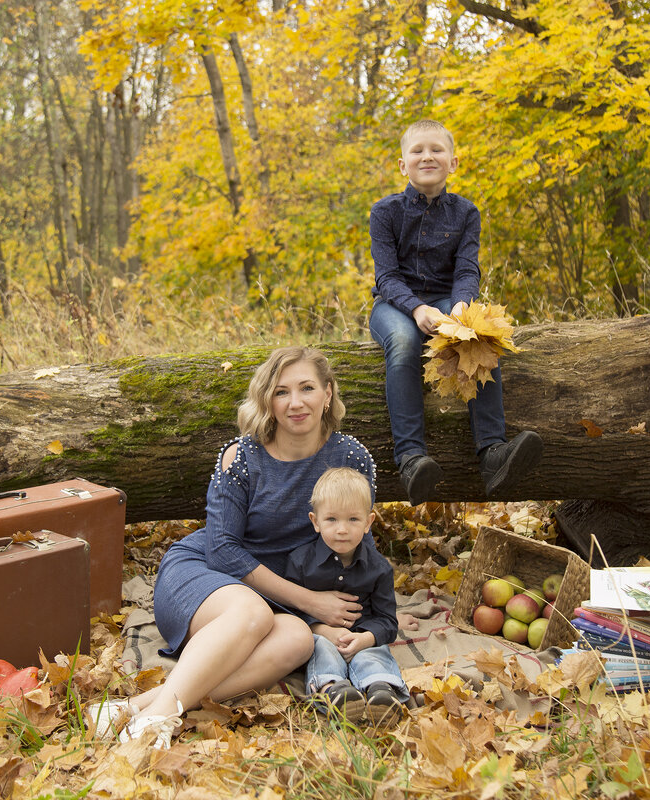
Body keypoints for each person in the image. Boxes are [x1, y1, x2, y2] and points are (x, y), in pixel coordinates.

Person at [89, 346, 377, 747]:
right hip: (207, 573)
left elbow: (357, 539)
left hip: (271, 592)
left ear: (327, 394)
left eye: (307, 388)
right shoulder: (242, 456)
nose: (295, 403)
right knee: (252, 611)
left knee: (298, 639)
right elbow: (223, 551)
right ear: (268, 401)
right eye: (281, 392)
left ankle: (135, 708)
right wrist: (311, 603)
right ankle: (157, 720)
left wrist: (378, 608)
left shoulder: (350, 457)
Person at [369, 118, 543, 505]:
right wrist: (416, 309)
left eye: (436, 150)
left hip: (449, 297)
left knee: (480, 336)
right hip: (396, 303)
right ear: (403, 165)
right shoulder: (385, 213)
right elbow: (387, 277)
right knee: (402, 343)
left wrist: (463, 304)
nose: (427, 156)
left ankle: (493, 453)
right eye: (417, 151)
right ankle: (411, 458)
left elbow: (467, 268)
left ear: (453, 162)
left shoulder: (466, 213)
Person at [285, 467, 408, 722]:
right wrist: (321, 630)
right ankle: (332, 691)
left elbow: (387, 621)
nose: (342, 529)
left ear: (368, 523)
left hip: (361, 635)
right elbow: (289, 612)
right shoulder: (299, 562)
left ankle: (381, 691)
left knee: (375, 653)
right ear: (315, 521)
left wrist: (366, 638)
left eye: (353, 519)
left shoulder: (380, 568)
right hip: (320, 635)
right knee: (321, 650)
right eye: (331, 520)